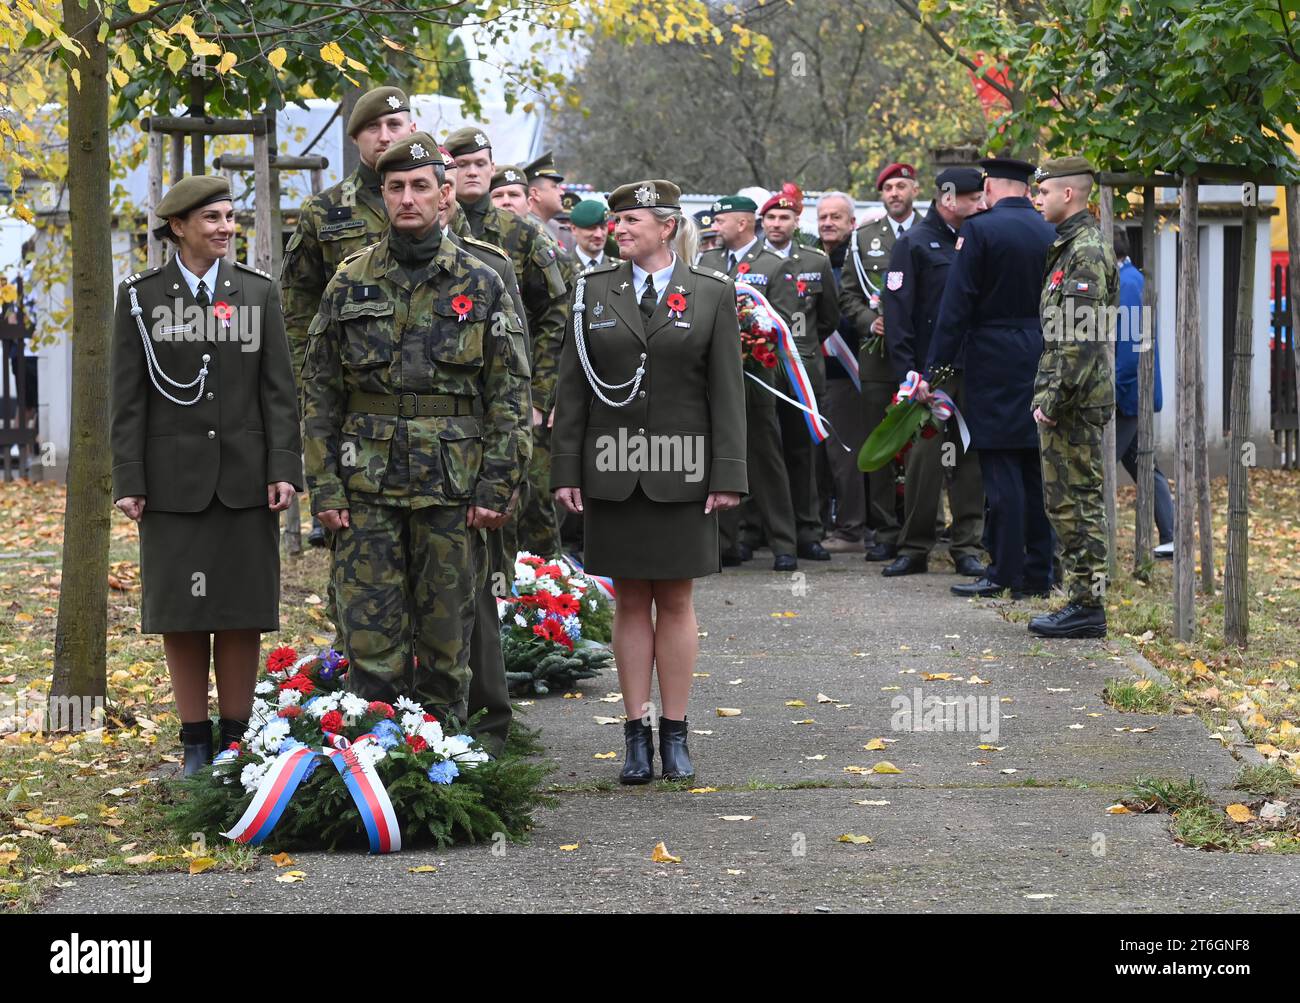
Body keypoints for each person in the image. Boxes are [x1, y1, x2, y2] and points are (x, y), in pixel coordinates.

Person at [301, 132, 530, 720]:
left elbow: (508, 392)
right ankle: (376, 768)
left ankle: (442, 766)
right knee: (368, 639)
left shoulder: (482, 281)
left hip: (453, 487)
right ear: (383, 195)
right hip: (365, 487)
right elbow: (321, 391)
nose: (407, 198)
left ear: (445, 195)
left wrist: (497, 486)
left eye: (420, 186)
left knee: (448, 640)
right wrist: (323, 488)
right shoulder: (350, 282)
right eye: (396, 187)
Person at [551, 179, 746, 783]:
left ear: (667, 226)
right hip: (611, 468)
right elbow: (573, 388)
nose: (620, 228)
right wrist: (565, 469)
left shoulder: (711, 294)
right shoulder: (590, 292)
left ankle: (677, 733)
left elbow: (727, 393)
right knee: (630, 599)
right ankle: (635, 734)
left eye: (632, 218)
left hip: (684, 468)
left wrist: (729, 473)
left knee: (678, 599)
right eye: (615, 220)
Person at [110, 174, 302, 776]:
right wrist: (130, 478)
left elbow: (278, 390)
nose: (226, 228)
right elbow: (128, 396)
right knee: (184, 613)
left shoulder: (255, 292)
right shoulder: (140, 298)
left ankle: (237, 739)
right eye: (213, 219)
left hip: (246, 481)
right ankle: (195, 741)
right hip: (173, 485)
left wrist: (283, 467)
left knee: (242, 610)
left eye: (230, 217)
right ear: (178, 227)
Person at [916, 157, 1058, 600]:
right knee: (1034, 466)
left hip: (993, 356)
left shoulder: (978, 231)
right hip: (1039, 351)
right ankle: (1040, 570)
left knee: (999, 466)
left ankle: (1005, 571)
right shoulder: (1049, 230)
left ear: (993, 186)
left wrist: (934, 369)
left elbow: (956, 305)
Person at [282, 86, 414, 552]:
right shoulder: (325, 211)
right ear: (354, 138)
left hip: (432, 391)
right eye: (372, 129)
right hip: (354, 394)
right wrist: (306, 379)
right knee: (359, 540)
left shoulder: (440, 205)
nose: (384, 136)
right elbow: (297, 305)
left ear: (411, 129)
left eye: (394, 125)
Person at [438, 146, 534, 756]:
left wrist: (502, 475)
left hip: (466, 464)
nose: (418, 198)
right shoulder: (359, 273)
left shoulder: (489, 268)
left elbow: (511, 379)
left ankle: (487, 736)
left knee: (474, 597)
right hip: (385, 471)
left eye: (431, 185)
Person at [446, 126, 569, 558]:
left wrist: (539, 394)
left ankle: (540, 606)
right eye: (463, 165)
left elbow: (556, 312)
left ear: (492, 168)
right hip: (455, 396)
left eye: (481, 164)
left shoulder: (522, 233)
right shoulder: (432, 228)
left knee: (530, 500)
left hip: (515, 394)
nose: (473, 173)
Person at [880, 167, 988, 578]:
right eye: (973, 198)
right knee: (924, 464)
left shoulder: (977, 239)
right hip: (929, 377)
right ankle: (914, 547)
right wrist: (909, 374)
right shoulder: (913, 244)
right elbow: (898, 312)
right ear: (948, 199)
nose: (981, 205)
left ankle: (967, 546)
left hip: (970, 368)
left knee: (968, 461)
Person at [1028, 156, 1119, 638]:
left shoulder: (1083, 251)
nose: (1036, 199)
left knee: (1077, 502)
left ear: (1068, 194)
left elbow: (1080, 337)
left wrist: (1054, 397)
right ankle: (1082, 598)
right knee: (1065, 501)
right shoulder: (1069, 246)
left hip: (1075, 399)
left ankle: (1088, 606)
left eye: (1042, 192)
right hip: (1071, 394)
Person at [699, 194, 798, 572]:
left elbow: (782, 321)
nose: (715, 228)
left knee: (766, 460)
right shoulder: (707, 262)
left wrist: (745, 338)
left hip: (755, 377)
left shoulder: (774, 265)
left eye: (720, 221)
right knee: (720, 459)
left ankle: (784, 543)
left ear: (741, 223)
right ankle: (724, 543)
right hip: (713, 380)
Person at [839, 162, 920, 562]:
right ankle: (886, 530)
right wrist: (870, 322)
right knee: (880, 443)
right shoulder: (863, 239)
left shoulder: (934, 232)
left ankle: (924, 529)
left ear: (915, 189)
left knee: (926, 441)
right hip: (878, 359)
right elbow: (848, 294)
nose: (894, 193)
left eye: (901, 186)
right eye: (888, 188)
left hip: (921, 356)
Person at [759, 184, 840, 562]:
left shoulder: (815, 262)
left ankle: (808, 530)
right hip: (759, 369)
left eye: (784, 217)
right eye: (771, 217)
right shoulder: (749, 262)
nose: (777, 223)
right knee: (761, 451)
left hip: (802, 370)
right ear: (762, 222)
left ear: (796, 221)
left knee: (803, 452)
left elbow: (828, 319)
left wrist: (800, 351)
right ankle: (755, 530)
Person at [1112, 229, 1174, 559]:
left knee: (1104, 464)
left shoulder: (1128, 284)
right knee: (1143, 462)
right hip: (1134, 392)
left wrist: (1117, 392)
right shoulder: (1132, 279)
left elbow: (1131, 348)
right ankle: (1171, 534)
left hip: (1129, 394)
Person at [813, 191, 868, 553]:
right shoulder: (813, 259)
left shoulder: (860, 261)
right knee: (819, 454)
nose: (828, 223)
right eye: (823, 217)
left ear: (852, 223)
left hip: (846, 371)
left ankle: (851, 530)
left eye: (836, 216)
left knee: (844, 451)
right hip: (813, 371)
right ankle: (821, 524)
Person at [570, 200, 611, 270]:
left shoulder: (620, 269)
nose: (599, 235)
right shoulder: (561, 268)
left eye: (603, 227)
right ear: (574, 229)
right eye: (591, 228)